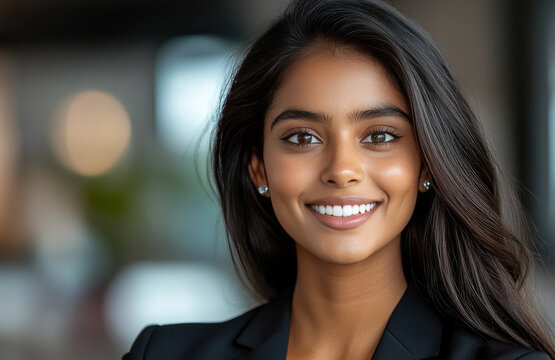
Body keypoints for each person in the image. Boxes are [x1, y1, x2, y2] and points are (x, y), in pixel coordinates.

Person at [124, 0, 555, 358]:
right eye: (302, 137)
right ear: (259, 168)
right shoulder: (162, 353)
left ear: (427, 164)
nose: (342, 170)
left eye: (380, 136)